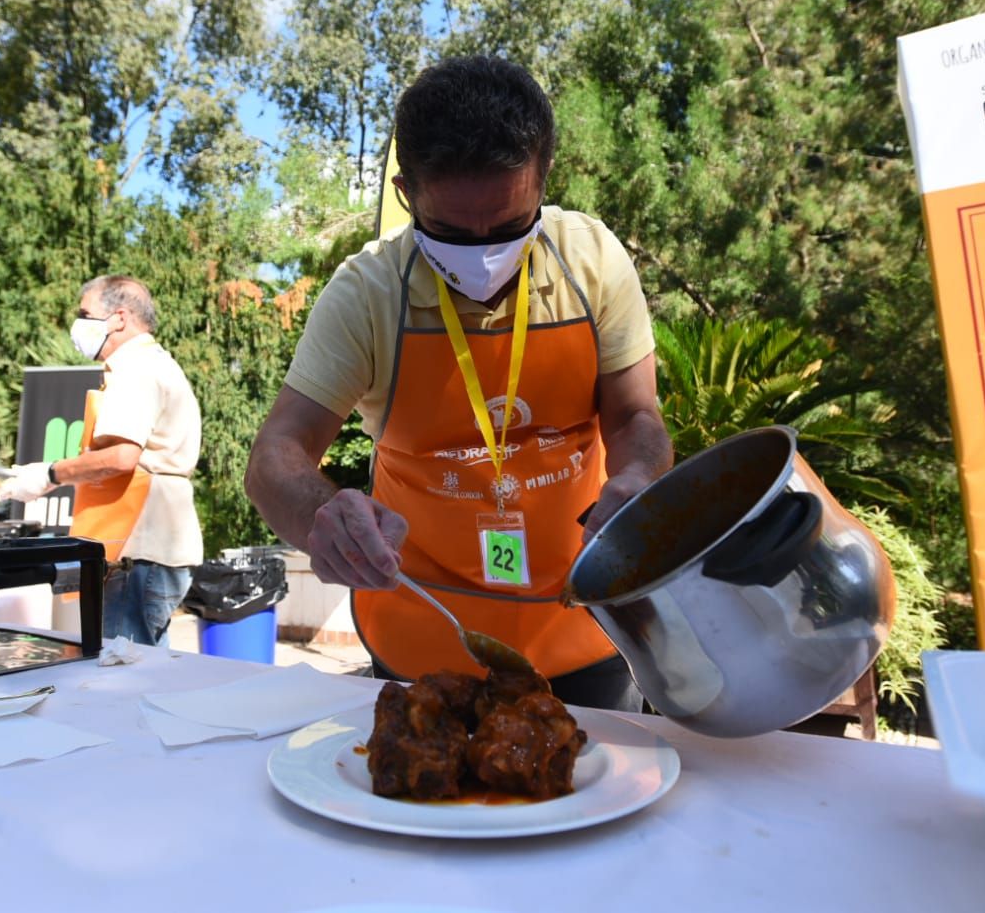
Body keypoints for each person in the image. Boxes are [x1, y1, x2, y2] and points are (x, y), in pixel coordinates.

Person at [245, 55, 672, 710]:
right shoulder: (366, 294)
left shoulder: (590, 260)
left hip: (586, 630)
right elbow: (277, 452)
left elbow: (634, 417)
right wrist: (316, 513)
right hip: (421, 642)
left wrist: (639, 479)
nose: (483, 258)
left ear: (542, 179)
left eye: (508, 229)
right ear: (404, 191)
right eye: (446, 232)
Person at [0, 276, 204, 646]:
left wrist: (49, 474)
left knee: (122, 674)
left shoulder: (135, 368)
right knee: (142, 671)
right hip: (152, 548)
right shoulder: (153, 364)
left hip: (137, 551)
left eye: (85, 314)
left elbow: (123, 457)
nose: (78, 323)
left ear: (119, 318)